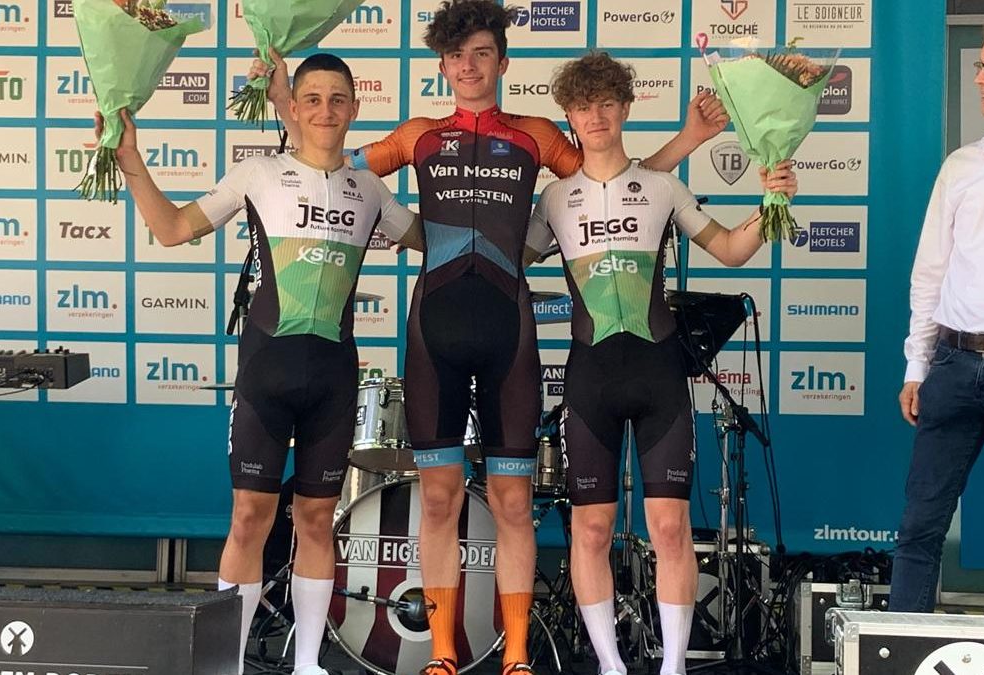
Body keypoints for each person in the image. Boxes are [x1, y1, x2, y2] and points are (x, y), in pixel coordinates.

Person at [251, 4, 728, 673]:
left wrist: (687, 140)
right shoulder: (418, 135)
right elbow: (328, 157)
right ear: (442, 66)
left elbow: (614, 175)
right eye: (456, 56)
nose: (468, 66)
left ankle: (518, 655)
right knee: (438, 498)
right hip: (434, 334)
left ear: (503, 62)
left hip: (510, 335)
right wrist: (286, 106)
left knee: (511, 501)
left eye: (481, 53)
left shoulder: (536, 135)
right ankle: (444, 652)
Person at [98, 54, 418, 675]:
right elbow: (172, 228)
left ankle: (308, 663)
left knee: (317, 518)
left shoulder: (370, 189)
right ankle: (230, 663)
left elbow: (434, 239)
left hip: (333, 379)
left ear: (355, 109)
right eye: (312, 99)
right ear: (294, 107)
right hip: (266, 374)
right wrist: (132, 161)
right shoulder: (258, 174)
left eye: (338, 99)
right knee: (249, 518)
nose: (326, 110)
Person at [526, 52, 796, 675]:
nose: (595, 116)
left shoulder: (661, 187)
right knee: (590, 532)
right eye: (583, 106)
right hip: (590, 380)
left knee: (670, 527)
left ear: (625, 108)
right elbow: (507, 262)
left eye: (606, 103)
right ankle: (611, 665)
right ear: (569, 117)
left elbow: (730, 250)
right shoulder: (554, 199)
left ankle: (672, 666)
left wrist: (771, 205)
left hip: (658, 376)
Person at [892, 16, 984, 613]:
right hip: (954, 362)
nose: (980, 78)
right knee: (920, 524)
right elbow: (929, 271)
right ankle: (899, 644)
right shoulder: (962, 165)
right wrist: (917, 365)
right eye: (981, 65)